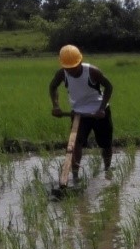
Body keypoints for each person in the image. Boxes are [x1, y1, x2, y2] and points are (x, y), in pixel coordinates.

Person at [48, 44, 114, 182]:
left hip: (99, 112)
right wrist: (56, 106)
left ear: (79, 62)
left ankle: (107, 169)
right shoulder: (62, 73)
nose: (71, 71)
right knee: (75, 144)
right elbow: (53, 86)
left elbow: (108, 86)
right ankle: (75, 176)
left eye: (73, 67)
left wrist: (101, 108)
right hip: (78, 113)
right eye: (68, 68)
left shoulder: (92, 72)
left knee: (105, 143)